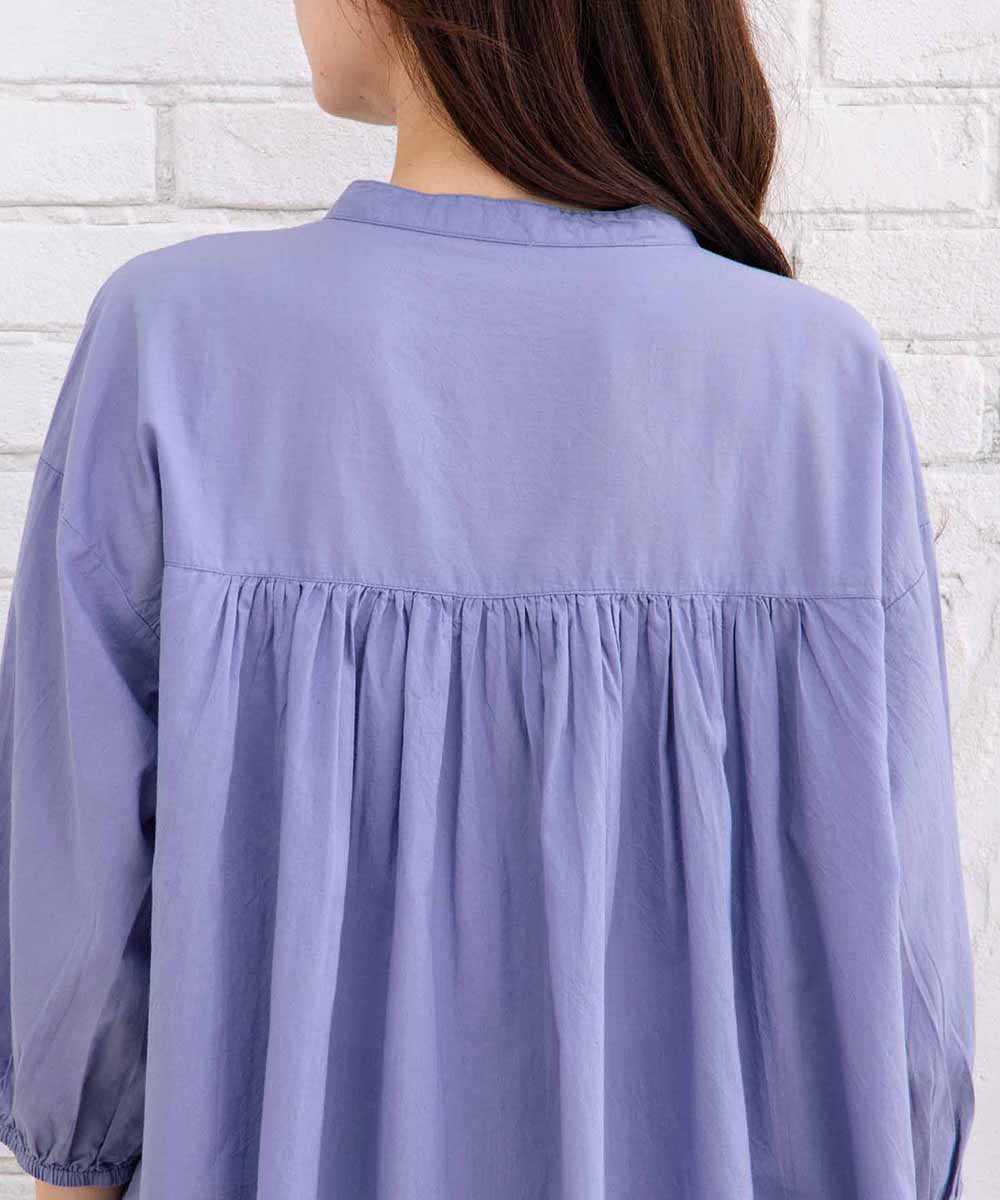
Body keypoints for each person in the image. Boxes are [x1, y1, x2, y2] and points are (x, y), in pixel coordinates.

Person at [0, 1, 976, 1197]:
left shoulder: (175, 345)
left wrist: (73, 1152)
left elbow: (81, 940)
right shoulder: (817, 386)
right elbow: (907, 979)